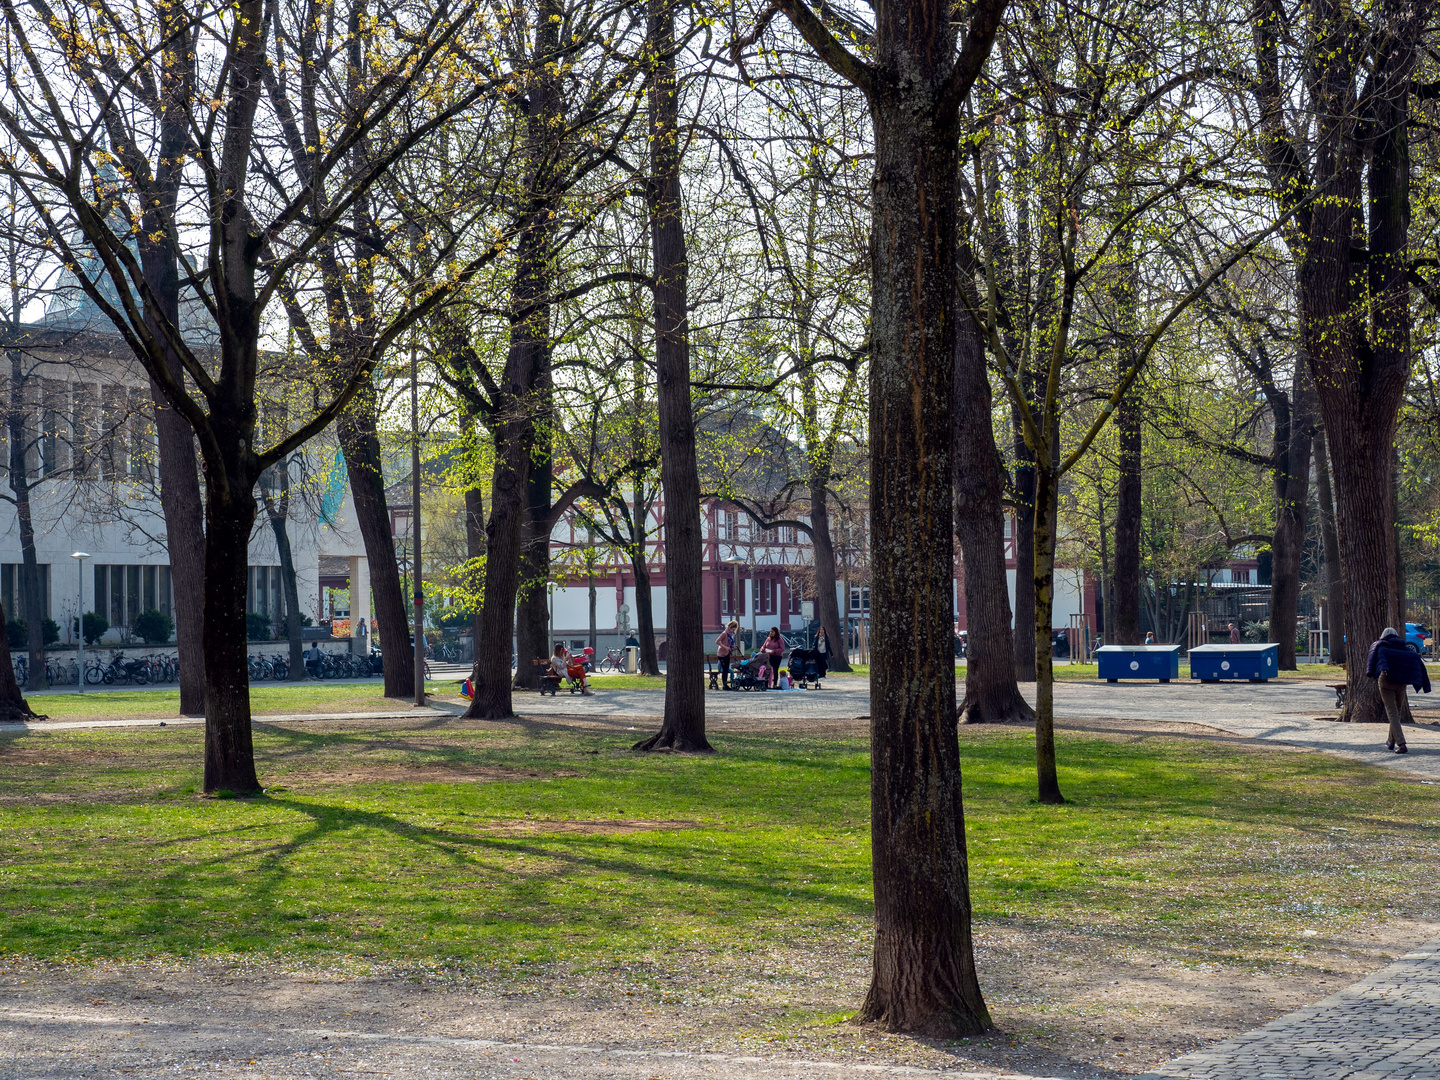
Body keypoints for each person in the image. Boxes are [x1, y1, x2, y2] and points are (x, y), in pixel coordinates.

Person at [1365, 626, 1431, 754]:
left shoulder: (1381, 647)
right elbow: (1416, 660)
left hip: (1386, 681)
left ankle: (1401, 744)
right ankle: (1390, 741)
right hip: (1401, 683)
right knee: (1397, 712)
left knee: (1392, 713)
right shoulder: (1405, 649)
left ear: (1383, 635)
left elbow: (1376, 660)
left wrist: (1372, 672)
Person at [715, 621, 737, 690]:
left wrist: (733, 647)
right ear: (730, 627)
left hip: (727, 653)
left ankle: (726, 684)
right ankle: (724, 685)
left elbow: (730, 643)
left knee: (726, 669)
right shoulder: (724, 633)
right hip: (722, 653)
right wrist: (725, 647)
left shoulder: (731, 635)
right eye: (732, 629)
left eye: (734, 629)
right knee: (724, 669)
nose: (733, 631)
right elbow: (717, 641)